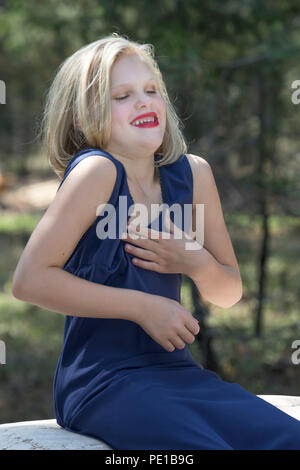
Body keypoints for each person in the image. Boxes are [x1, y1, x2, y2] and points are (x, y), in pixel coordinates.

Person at [12, 33, 300, 450]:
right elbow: (30, 280)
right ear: (80, 117)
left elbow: (229, 291)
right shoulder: (96, 172)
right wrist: (143, 307)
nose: (144, 102)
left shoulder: (193, 174)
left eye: (151, 90)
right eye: (122, 96)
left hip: (177, 373)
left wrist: (195, 260)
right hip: (102, 381)